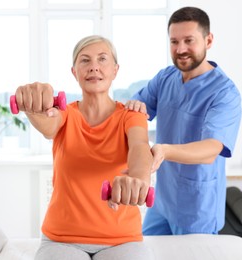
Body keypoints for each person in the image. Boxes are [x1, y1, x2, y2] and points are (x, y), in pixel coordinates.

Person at [13, 35, 154, 260]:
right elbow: (49, 126)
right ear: (74, 72)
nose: (94, 67)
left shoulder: (131, 115)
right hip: (62, 238)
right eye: (85, 61)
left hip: (122, 239)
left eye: (102, 59)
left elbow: (140, 147)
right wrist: (34, 108)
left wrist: (138, 179)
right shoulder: (66, 113)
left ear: (115, 70)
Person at [126, 6, 242, 235]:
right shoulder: (165, 78)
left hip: (197, 207)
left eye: (189, 40)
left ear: (208, 40)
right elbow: (135, 113)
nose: (180, 49)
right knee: (146, 251)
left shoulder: (224, 93)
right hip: (162, 201)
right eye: (174, 41)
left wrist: (165, 151)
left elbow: (211, 149)